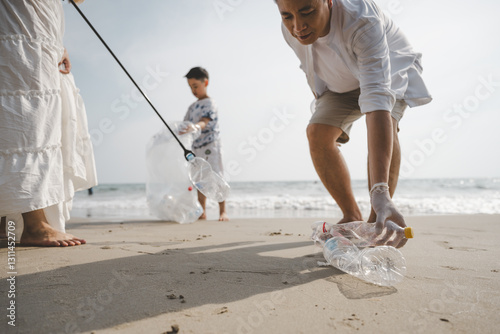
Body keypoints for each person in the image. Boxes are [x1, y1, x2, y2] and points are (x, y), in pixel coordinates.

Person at [275, 0, 432, 246]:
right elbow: (313, 66)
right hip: (341, 84)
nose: (298, 26)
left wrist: (379, 190)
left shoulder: (362, 21)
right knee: (317, 133)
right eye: (287, 16)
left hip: (388, 70)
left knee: (387, 122)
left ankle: (376, 221)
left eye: (307, 12)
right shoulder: (290, 29)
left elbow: (377, 98)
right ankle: (351, 215)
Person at [0, 0, 96, 246]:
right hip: (22, 22)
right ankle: (34, 224)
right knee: (28, 117)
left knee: (27, 115)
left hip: (37, 26)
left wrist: (57, 43)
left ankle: (6, 222)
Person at [182, 67, 229, 221]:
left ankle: (223, 211)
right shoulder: (191, 107)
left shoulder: (210, 103)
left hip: (211, 145)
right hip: (196, 147)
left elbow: (205, 121)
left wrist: (196, 126)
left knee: (216, 176)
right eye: (190, 87)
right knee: (199, 179)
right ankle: (202, 211)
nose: (193, 90)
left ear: (205, 83)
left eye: (195, 86)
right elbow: (185, 124)